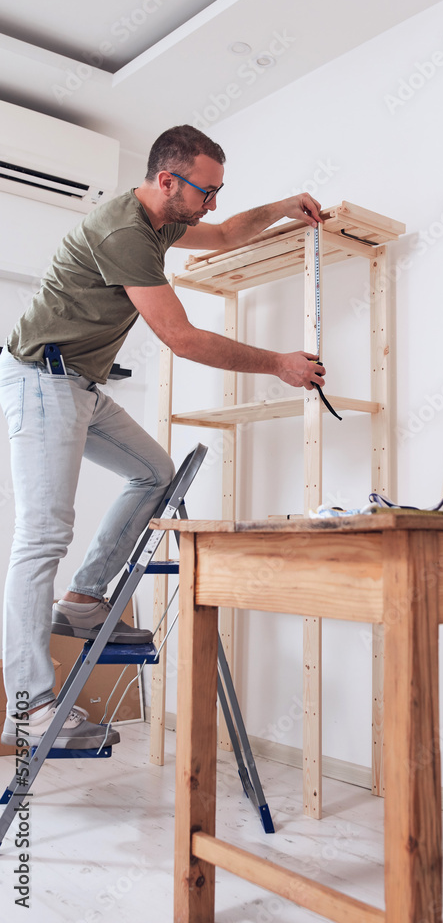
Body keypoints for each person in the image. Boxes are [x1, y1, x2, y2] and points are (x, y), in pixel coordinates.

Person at [0, 124, 325, 750]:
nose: (213, 205)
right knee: (42, 535)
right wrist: (278, 364)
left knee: (155, 473)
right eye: (207, 192)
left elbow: (228, 234)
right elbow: (182, 338)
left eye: (218, 191)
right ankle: (31, 705)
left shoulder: (162, 221)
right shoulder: (125, 232)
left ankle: (86, 596)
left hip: (80, 384)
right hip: (41, 379)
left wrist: (285, 206)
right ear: (167, 181)